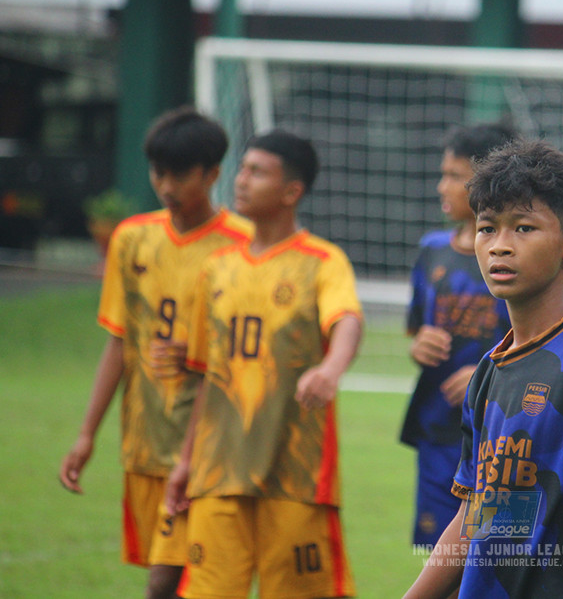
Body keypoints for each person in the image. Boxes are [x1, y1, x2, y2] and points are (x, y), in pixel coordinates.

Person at [403, 139, 563, 599]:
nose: (500, 246)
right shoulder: (488, 371)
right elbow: (473, 514)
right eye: (487, 229)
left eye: (523, 228)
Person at [59, 106, 251, 599]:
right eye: (157, 172)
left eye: (179, 173)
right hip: (146, 442)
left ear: (211, 174)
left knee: (171, 580)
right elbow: (119, 342)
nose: (165, 184)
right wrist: (86, 435)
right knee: (176, 576)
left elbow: (256, 352)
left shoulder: (243, 246)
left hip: (215, 446)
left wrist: (205, 352)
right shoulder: (131, 239)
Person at [165, 129, 363, 599]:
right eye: (244, 167)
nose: (242, 179)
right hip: (218, 473)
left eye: (258, 171)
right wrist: (186, 461)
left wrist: (330, 369)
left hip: (294, 474)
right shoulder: (216, 268)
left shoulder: (322, 261)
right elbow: (208, 378)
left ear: (291, 191)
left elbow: (348, 320)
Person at [401, 123, 515, 547]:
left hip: (501, 436)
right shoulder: (432, 249)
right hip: (438, 429)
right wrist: (419, 344)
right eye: (443, 174)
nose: (441, 186)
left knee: (492, 561)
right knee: (439, 560)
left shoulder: (516, 257)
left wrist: (486, 374)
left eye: (454, 176)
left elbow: (545, 339)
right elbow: (416, 326)